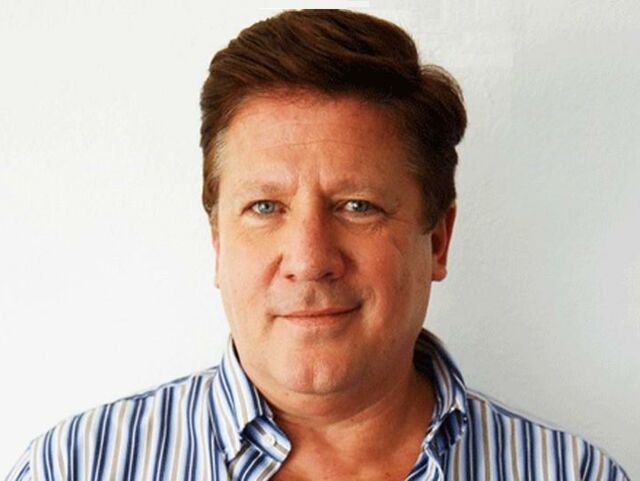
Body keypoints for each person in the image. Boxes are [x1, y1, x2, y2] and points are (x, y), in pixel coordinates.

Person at [5, 9, 629, 481]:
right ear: (218, 244)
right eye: (265, 208)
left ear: (437, 241)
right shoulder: (78, 465)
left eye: (357, 206)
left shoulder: (574, 474)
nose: (308, 260)